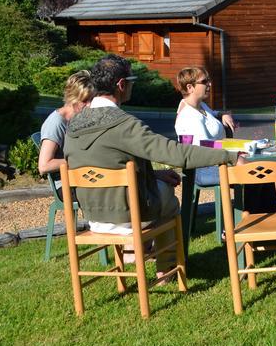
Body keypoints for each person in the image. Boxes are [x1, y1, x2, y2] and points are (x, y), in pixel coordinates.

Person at [64, 54, 243, 273]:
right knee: (167, 195)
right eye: (131, 81)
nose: (132, 86)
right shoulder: (124, 125)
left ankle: (133, 255)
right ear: (121, 85)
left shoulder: (73, 126)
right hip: (129, 215)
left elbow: (108, 165)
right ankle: (166, 269)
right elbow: (176, 154)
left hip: (94, 216)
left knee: (158, 186)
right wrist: (229, 156)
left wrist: (154, 175)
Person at [174, 66, 276, 214]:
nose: (209, 84)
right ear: (190, 87)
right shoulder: (189, 117)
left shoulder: (201, 106)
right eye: (204, 81)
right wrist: (236, 150)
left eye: (209, 80)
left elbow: (212, 114)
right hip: (204, 169)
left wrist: (222, 114)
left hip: (218, 162)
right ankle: (243, 224)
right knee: (256, 173)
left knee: (263, 172)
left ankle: (269, 222)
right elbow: (205, 147)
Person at [38, 71, 93, 177]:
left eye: (92, 99)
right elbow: (44, 166)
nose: (90, 105)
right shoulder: (56, 122)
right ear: (73, 99)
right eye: (85, 100)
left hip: (83, 177)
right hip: (65, 184)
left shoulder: (81, 118)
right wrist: (82, 161)